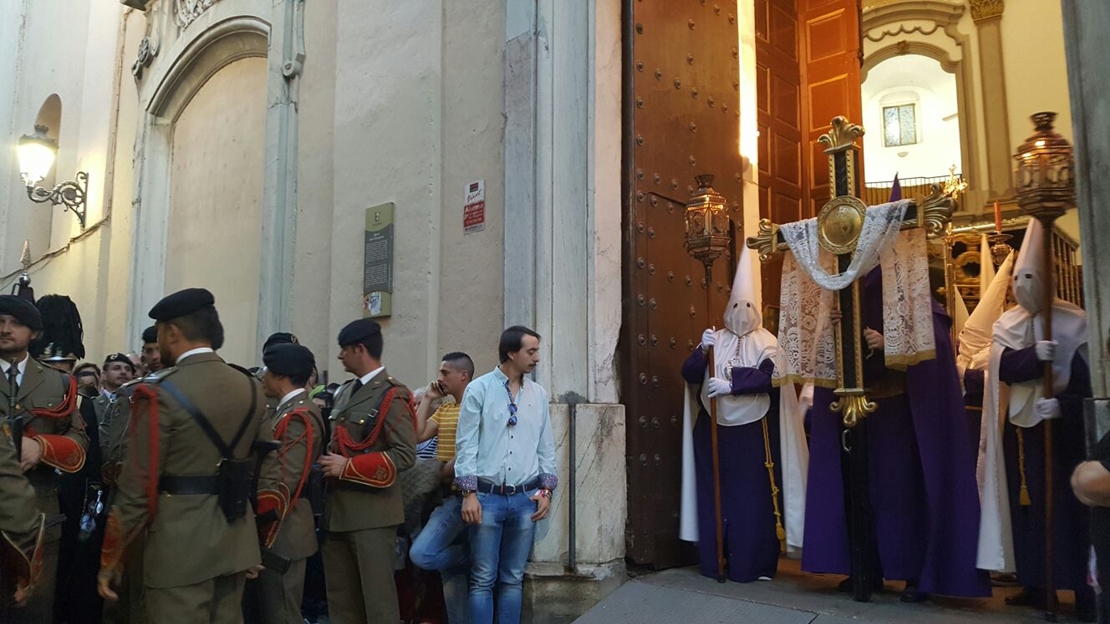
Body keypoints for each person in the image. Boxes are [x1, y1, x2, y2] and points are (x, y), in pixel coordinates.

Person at [801, 267, 990, 602]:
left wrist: (891, 346)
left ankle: (914, 574)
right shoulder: (847, 299)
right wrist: (838, 329)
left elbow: (933, 360)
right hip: (857, 412)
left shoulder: (917, 305)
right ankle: (866, 568)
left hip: (899, 416)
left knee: (902, 495)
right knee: (861, 491)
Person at [97, 288, 285, 622]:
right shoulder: (251, 387)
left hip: (178, 546)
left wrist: (112, 557)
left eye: (159, 332)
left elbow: (138, 485)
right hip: (236, 539)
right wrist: (256, 540)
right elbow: (266, 468)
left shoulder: (159, 392)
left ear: (172, 332)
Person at [977, 219, 1094, 619]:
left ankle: (1083, 588)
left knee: (1071, 509)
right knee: (1029, 509)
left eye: (1031, 277)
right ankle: (1036, 583)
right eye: (1017, 279)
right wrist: (1031, 357)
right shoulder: (1006, 323)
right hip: (1023, 428)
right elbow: (1001, 366)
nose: (1022, 285)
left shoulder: (1076, 320)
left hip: (1064, 434)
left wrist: (1064, 405)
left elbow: (1089, 382)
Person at [679, 251, 808, 582]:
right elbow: (691, 375)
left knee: (752, 500)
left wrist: (733, 384)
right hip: (714, 431)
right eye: (736, 306)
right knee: (715, 495)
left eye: (747, 306)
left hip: (754, 434)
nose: (741, 313)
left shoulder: (768, 343)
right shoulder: (715, 339)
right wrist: (700, 351)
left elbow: (772, 378)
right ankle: (715, 561)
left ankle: (755, 565)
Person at [455, 326, 557, 624]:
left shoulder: (538, 394)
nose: (537, 358)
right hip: (486, 498)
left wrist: (546, 491)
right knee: (483, 578)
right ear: (511, 352)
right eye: (531, 351)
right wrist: (469, 494)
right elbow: (466, 444)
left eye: (537, 351)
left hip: (526, 498)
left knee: (513, 578)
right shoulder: (480, 389)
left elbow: (545, 447)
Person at [317, 318, 416, 624]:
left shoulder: (391, 394)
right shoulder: (346, 392)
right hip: (338, 512)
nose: (339, 357)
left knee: (378, 603)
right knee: (342, 602)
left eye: (344, 350)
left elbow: (404, 454)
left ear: (360, 349)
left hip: (373, 515)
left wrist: (349, 466)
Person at [0, 294, 90, 623]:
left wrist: (42, 448)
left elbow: (79, 439)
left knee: (34, 611)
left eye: (16, 323)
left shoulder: (59, 382)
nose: (5, 329)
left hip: (38, 516)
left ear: (35, 333)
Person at [251, 343, 325, 624]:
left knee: (280, 613)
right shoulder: (286, 410)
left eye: (266, 371)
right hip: (279, 526)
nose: (263, 377)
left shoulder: (299, 417)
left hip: (282, 529)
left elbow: (283, 482)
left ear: (279, 375)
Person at [410, 352, 476, 623]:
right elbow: (416, 435)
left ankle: (472, 556)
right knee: (449, 573)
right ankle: (469, 557)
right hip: (445, 494)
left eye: (445, 372)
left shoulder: (476, 406)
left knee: (422, 554)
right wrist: (427, 398)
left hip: (468, 494)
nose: (439, 378)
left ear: (463, 375)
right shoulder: (445, 409)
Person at [957, 252, 1014, 456]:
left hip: (997, 415)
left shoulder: (996, 349)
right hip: (970, 415)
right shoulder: (968, 351)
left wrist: (964, 374)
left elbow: (996, 378)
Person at [0, 431, 47, 610]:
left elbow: (79, 439)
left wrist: (42, 447)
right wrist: (26, 575)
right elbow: (15, 504)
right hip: (18, 529)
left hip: (44, 496)